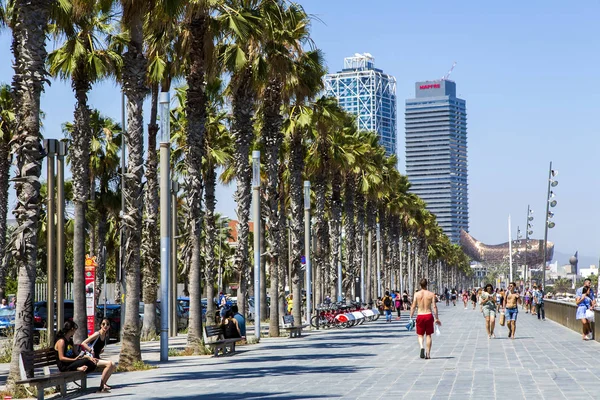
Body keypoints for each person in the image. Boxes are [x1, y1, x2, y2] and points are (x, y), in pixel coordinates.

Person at [80, 318, 116, 392]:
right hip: (90, 359)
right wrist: (90, 350)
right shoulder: (97, 334)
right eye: (103, 324)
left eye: (107, 324)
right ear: (100, 325)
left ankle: (104, 383)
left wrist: (99, 352)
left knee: (113, 365)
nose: (105, 326)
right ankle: (102, 385)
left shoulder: (104, 335)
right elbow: (83, 343)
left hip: (96, 357)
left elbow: (97, 348)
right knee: (109, 364)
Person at [409, 278, 441, 360]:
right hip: (428, 315)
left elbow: (413, 306)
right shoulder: (431, 294)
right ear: (427, 284)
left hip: (420, 315)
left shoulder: (416, 294)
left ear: (420, 285)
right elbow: (434, 306)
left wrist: (411, 316)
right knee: (428, 335)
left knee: (420, 335)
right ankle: (428, 354)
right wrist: (436, 318)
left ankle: (421, 347)